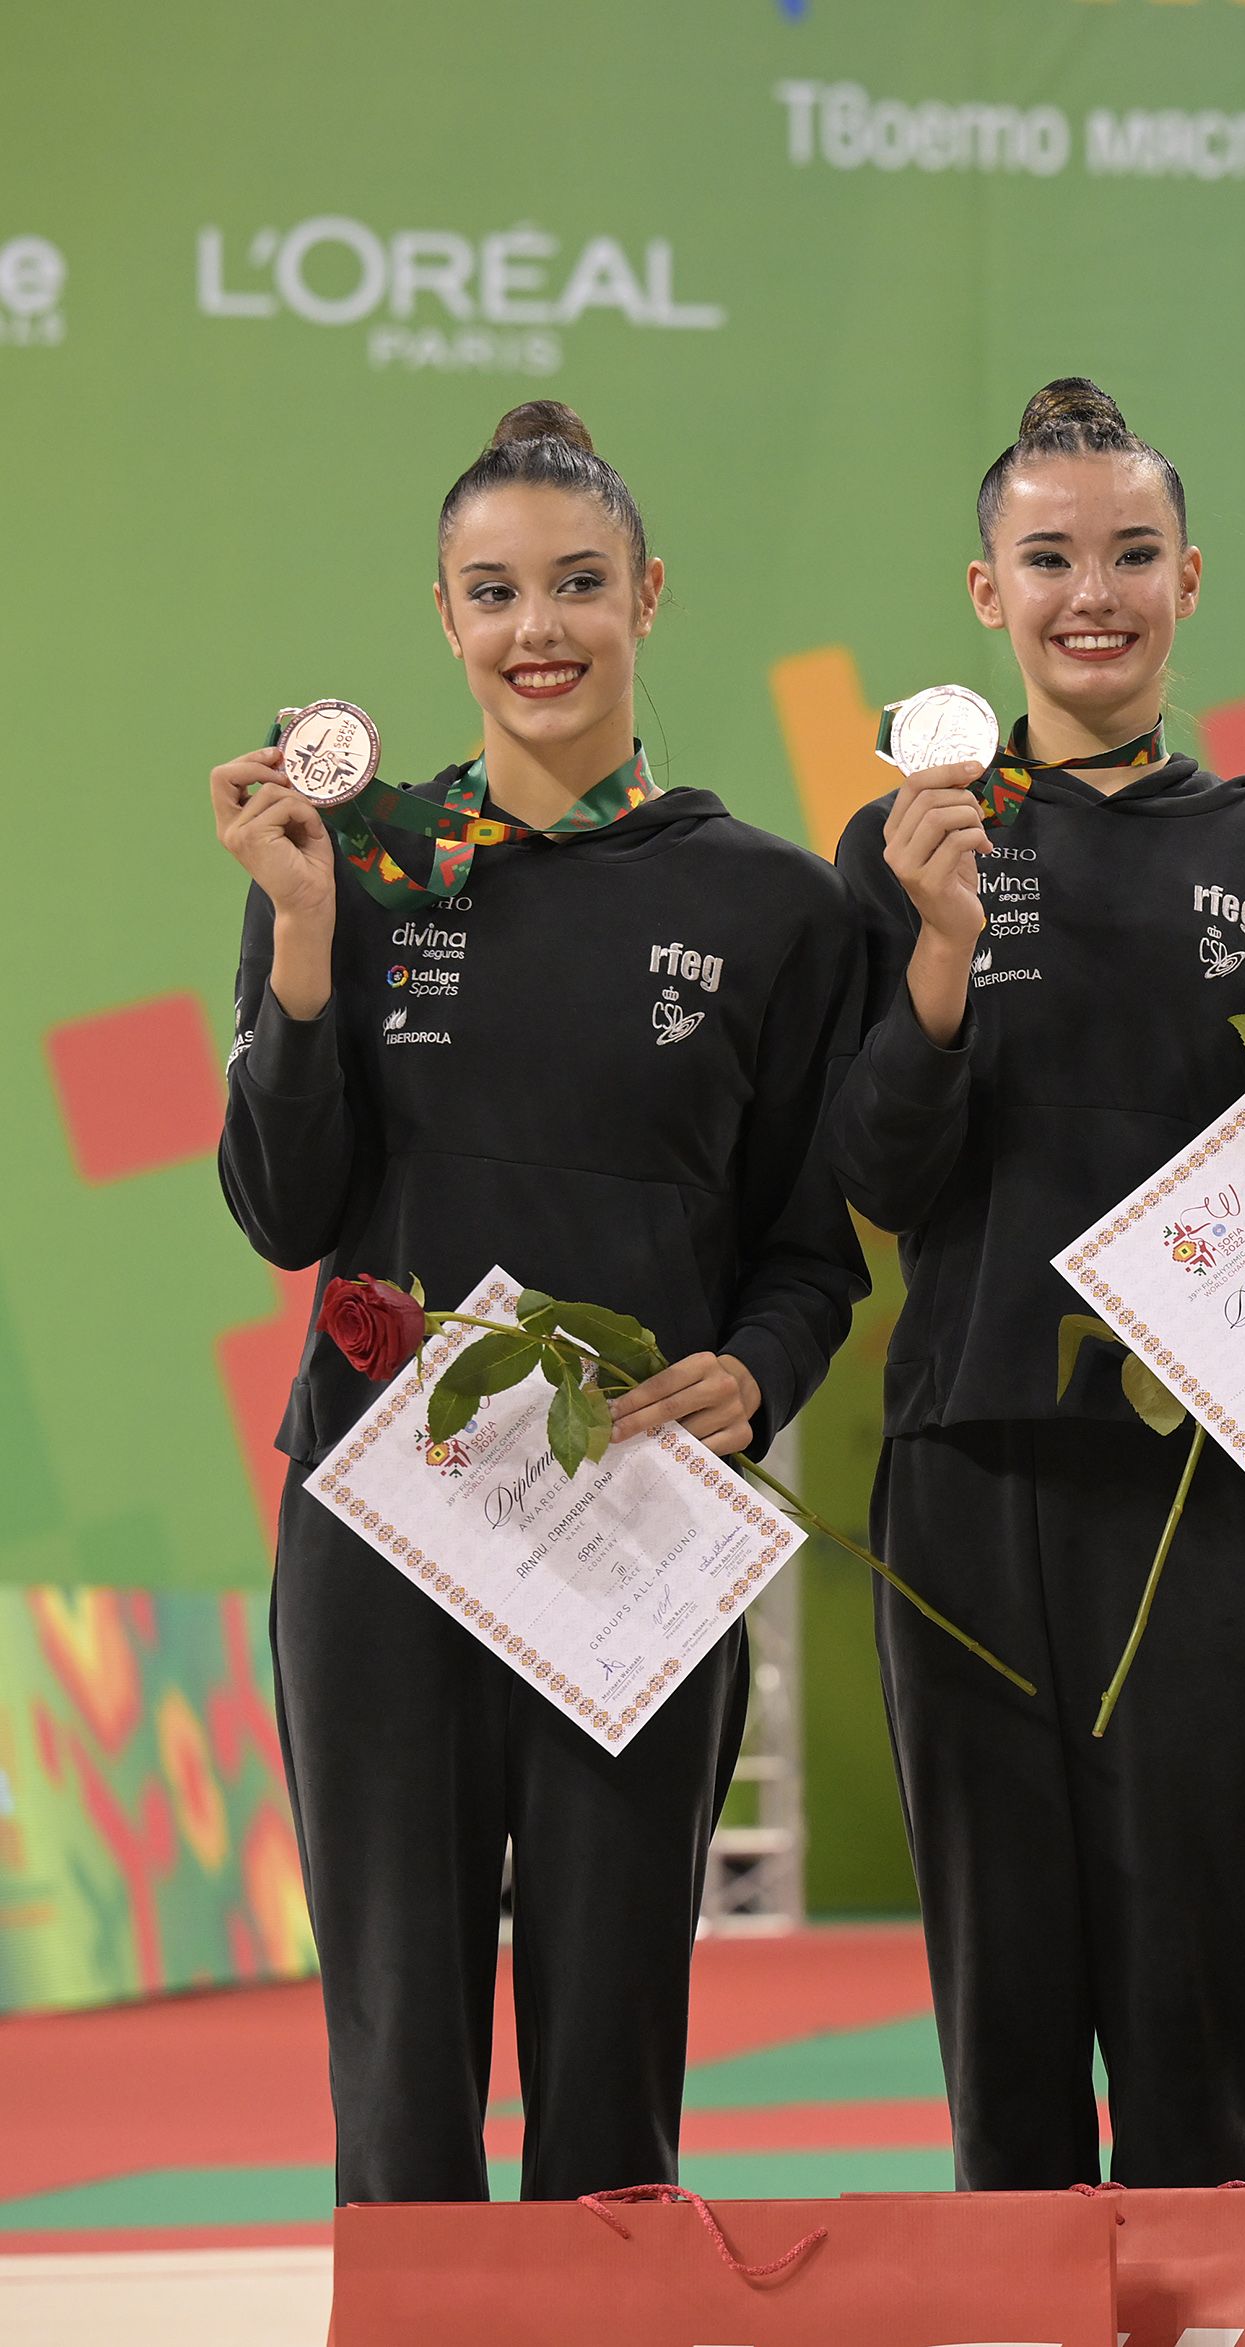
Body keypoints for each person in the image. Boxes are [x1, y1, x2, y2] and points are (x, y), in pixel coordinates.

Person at [214, 401, 867, 2203]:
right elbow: (284, 1214)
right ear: (443, 619)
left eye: (578, 584)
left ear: (648, 594)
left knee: (609, 2081)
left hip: (632, 1539)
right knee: (402, 2076)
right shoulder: (350, 865)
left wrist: (756, 1371)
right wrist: (296, 950)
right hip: (383, 1541)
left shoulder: (775, 906)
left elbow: (814, 1251)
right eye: (495, 593)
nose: (540, 629)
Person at [823, 378, 1245, 2189]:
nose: (1093, 592)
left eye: (1132, 554)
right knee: (1005, 2018)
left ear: (1191, 581)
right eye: (1048, 559)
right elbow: (874, 1175)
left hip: (1204, 1485)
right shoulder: (905, 847)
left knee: (1189, 2015)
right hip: (968, 1465)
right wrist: (937, 963)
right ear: (983, 592)